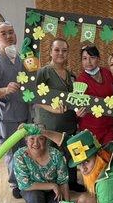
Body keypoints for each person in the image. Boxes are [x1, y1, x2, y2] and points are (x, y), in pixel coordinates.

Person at [0, 21, 30, 199]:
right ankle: (15, 183)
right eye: (4, 33)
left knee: (27, 148)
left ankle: (28, 178)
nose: (9, 36)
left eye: (11, 32)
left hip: (26, 113)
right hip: (6, 115)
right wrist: (5, 90)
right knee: (11, 151)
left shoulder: (23, 57)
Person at [35, 38, 85, 192]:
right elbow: (35, 99)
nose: (60, 53)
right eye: (57, 50)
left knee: (72, 155)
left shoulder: (71, 75)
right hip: (49, 124)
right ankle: (50, 189)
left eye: (64, 50)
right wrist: (53, 109)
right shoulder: (43, 72)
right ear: (50, 52)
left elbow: (75, 99)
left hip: (69, 124)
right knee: (48, 157)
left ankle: (72, 182)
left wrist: (80, 110)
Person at [13, 126, 69, 203]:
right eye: (32, 139)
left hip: (54, 193)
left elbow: (63, 181)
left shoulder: (56, 155)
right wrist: (52, 185)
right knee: (34, 200)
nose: (36, 143)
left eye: (41, 138)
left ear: (46, 140)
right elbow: (25, 184)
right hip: (33, 190)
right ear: (26, 140)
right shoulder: (20, 155)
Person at [76, 45, 113, 144]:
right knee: (94, 158)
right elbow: (77, 104)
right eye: (84, 58)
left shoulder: (106, 72)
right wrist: (78, 111)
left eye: (92, 58)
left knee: (110, 156)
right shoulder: (80, 80)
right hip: (91, 128)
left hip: (109, 125)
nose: (88, 62)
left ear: (98, 59)